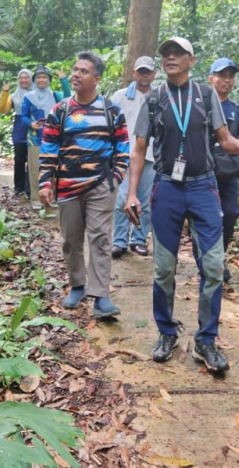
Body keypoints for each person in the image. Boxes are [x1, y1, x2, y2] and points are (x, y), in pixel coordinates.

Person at [125, 37, 239, 373]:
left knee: (212, 267)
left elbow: (224, 140)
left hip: (203, 187)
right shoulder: (153, 99)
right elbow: (138, 150)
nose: (169, 57)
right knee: (163, 268)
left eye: (177, 53)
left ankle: (206, 340)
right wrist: (131, 193)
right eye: (166, 53)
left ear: (191, 60)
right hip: (167, 187)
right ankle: (166, 332)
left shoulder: (207, 94)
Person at [38, 52, 130, 319]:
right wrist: (46, 182)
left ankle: (101, 297)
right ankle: (78, 285)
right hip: (67, 186)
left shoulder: (111, 109)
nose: (76, 74)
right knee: (71, 241)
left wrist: (116, 177)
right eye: (75, 69)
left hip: (101, 185)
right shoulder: (60, 110)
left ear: (97, 79)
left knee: (100, 239)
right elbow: (49, 149)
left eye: (84, 71)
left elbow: (123, 147)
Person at [111, 56, 157, 258]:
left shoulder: (158, 97)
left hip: (151, 156)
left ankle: (138, 239)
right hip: (124, 155)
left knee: (146, 201)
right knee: (122, 198)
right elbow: (109, 123)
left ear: (154, 74)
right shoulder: (120, 96)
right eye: (141, 72)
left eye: (148, 72)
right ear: (134, 73)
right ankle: (119, 240)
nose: (144, 75)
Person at [208, 58, 239, 282]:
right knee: (209, 216)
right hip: (207, 171)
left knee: (230, 213)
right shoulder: (202, 104)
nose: (226, 80)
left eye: (230, 76)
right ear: (211, 78)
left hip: (230, 172)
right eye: (222, 75)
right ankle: (210, 261)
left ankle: (219, 257)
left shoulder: (236, 109)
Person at [21, 66, 70, 209]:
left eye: (44, 77)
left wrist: (64, 81)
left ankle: (52, 197)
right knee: (36, 168)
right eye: (39, 78)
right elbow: (23, 117)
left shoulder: (56, 96)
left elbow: (69, 99)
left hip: (55, 138)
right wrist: (31, 124)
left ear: (49, 80)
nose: (41, 80)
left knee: (54, 168)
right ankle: (36, 199)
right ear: (34, 80)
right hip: (35, 137)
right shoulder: (28, 97)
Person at [0, 68, 34, 197]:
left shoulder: (38, 93)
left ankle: (30, 187)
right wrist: (5, 93)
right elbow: (3, 110)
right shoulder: (14, 96)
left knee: (32, 159)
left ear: (31, 79)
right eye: (21, 78)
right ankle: (19, 186)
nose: (23, 80)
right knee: (19, 158)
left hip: (35, 126)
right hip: (19, 127)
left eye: (26, 77)